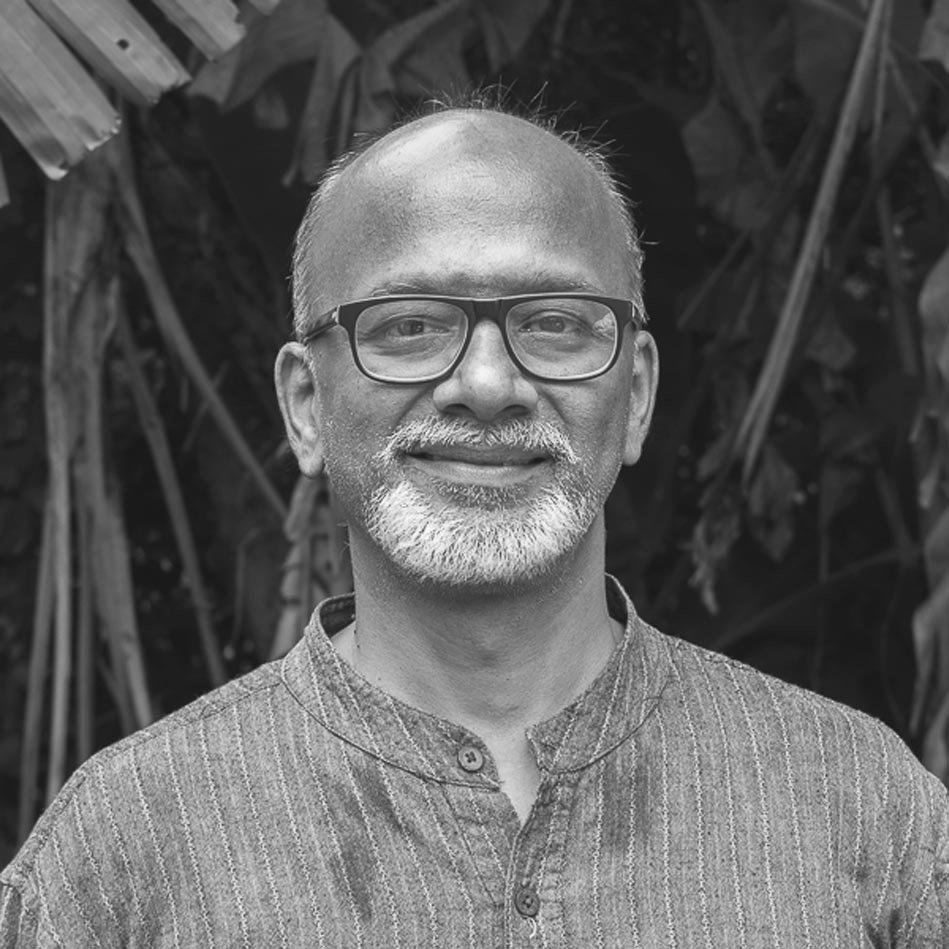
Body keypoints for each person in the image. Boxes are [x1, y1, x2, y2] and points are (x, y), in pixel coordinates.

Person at [3, 102, 948, 948]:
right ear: (305, 404)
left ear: (636, 396)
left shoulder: (861, 806)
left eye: (556, 323)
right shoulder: (126, 850)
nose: (488, 385)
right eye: (409, 325)